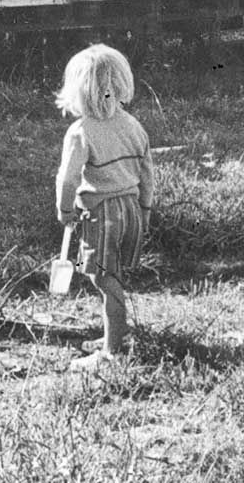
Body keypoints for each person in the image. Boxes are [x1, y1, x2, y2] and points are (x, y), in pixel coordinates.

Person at [54, 44, 154, 370]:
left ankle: (111, 353)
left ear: (78, 90)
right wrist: (146, 211)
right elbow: (147, 174)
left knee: (106, 281)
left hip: (103, 214)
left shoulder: (81, 131)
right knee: (114, 275)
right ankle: (114, 333)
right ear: (122, 84)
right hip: (131, 210)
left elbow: (68, 180)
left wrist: (64, 210)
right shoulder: (133, 125)